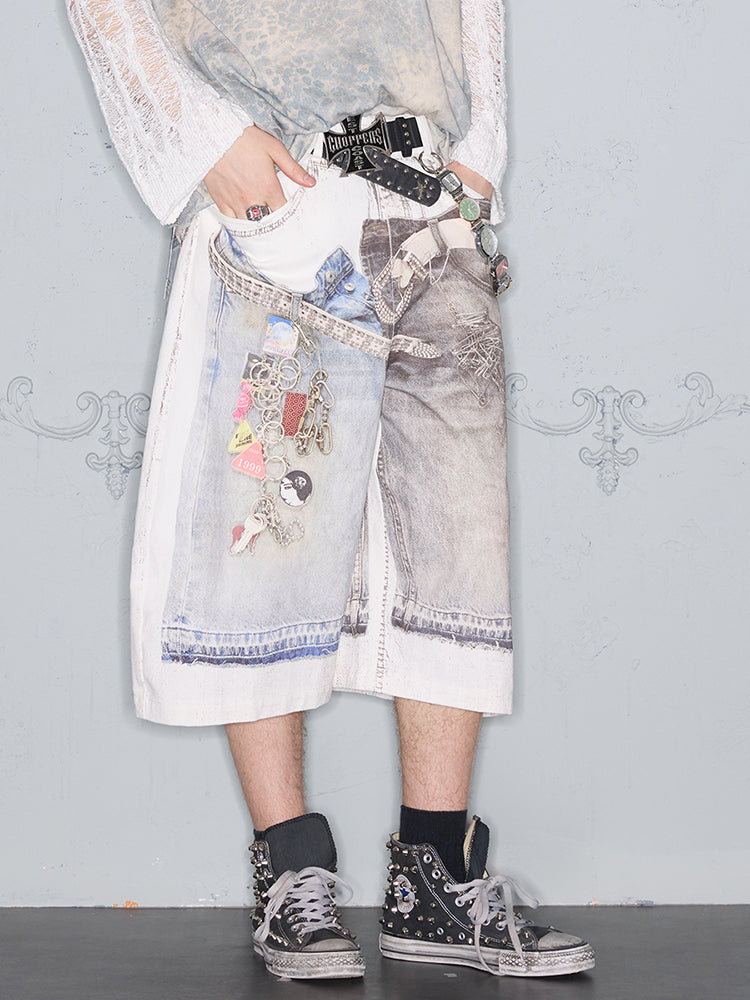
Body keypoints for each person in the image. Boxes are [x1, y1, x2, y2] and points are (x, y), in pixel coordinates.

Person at [67, 0, 595, 981]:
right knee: (268, 536)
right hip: (284, 187)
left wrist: (481, 145)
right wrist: (205, 139)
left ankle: (436, 879)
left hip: (430, 191)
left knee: (456, 538)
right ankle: (291, 872)